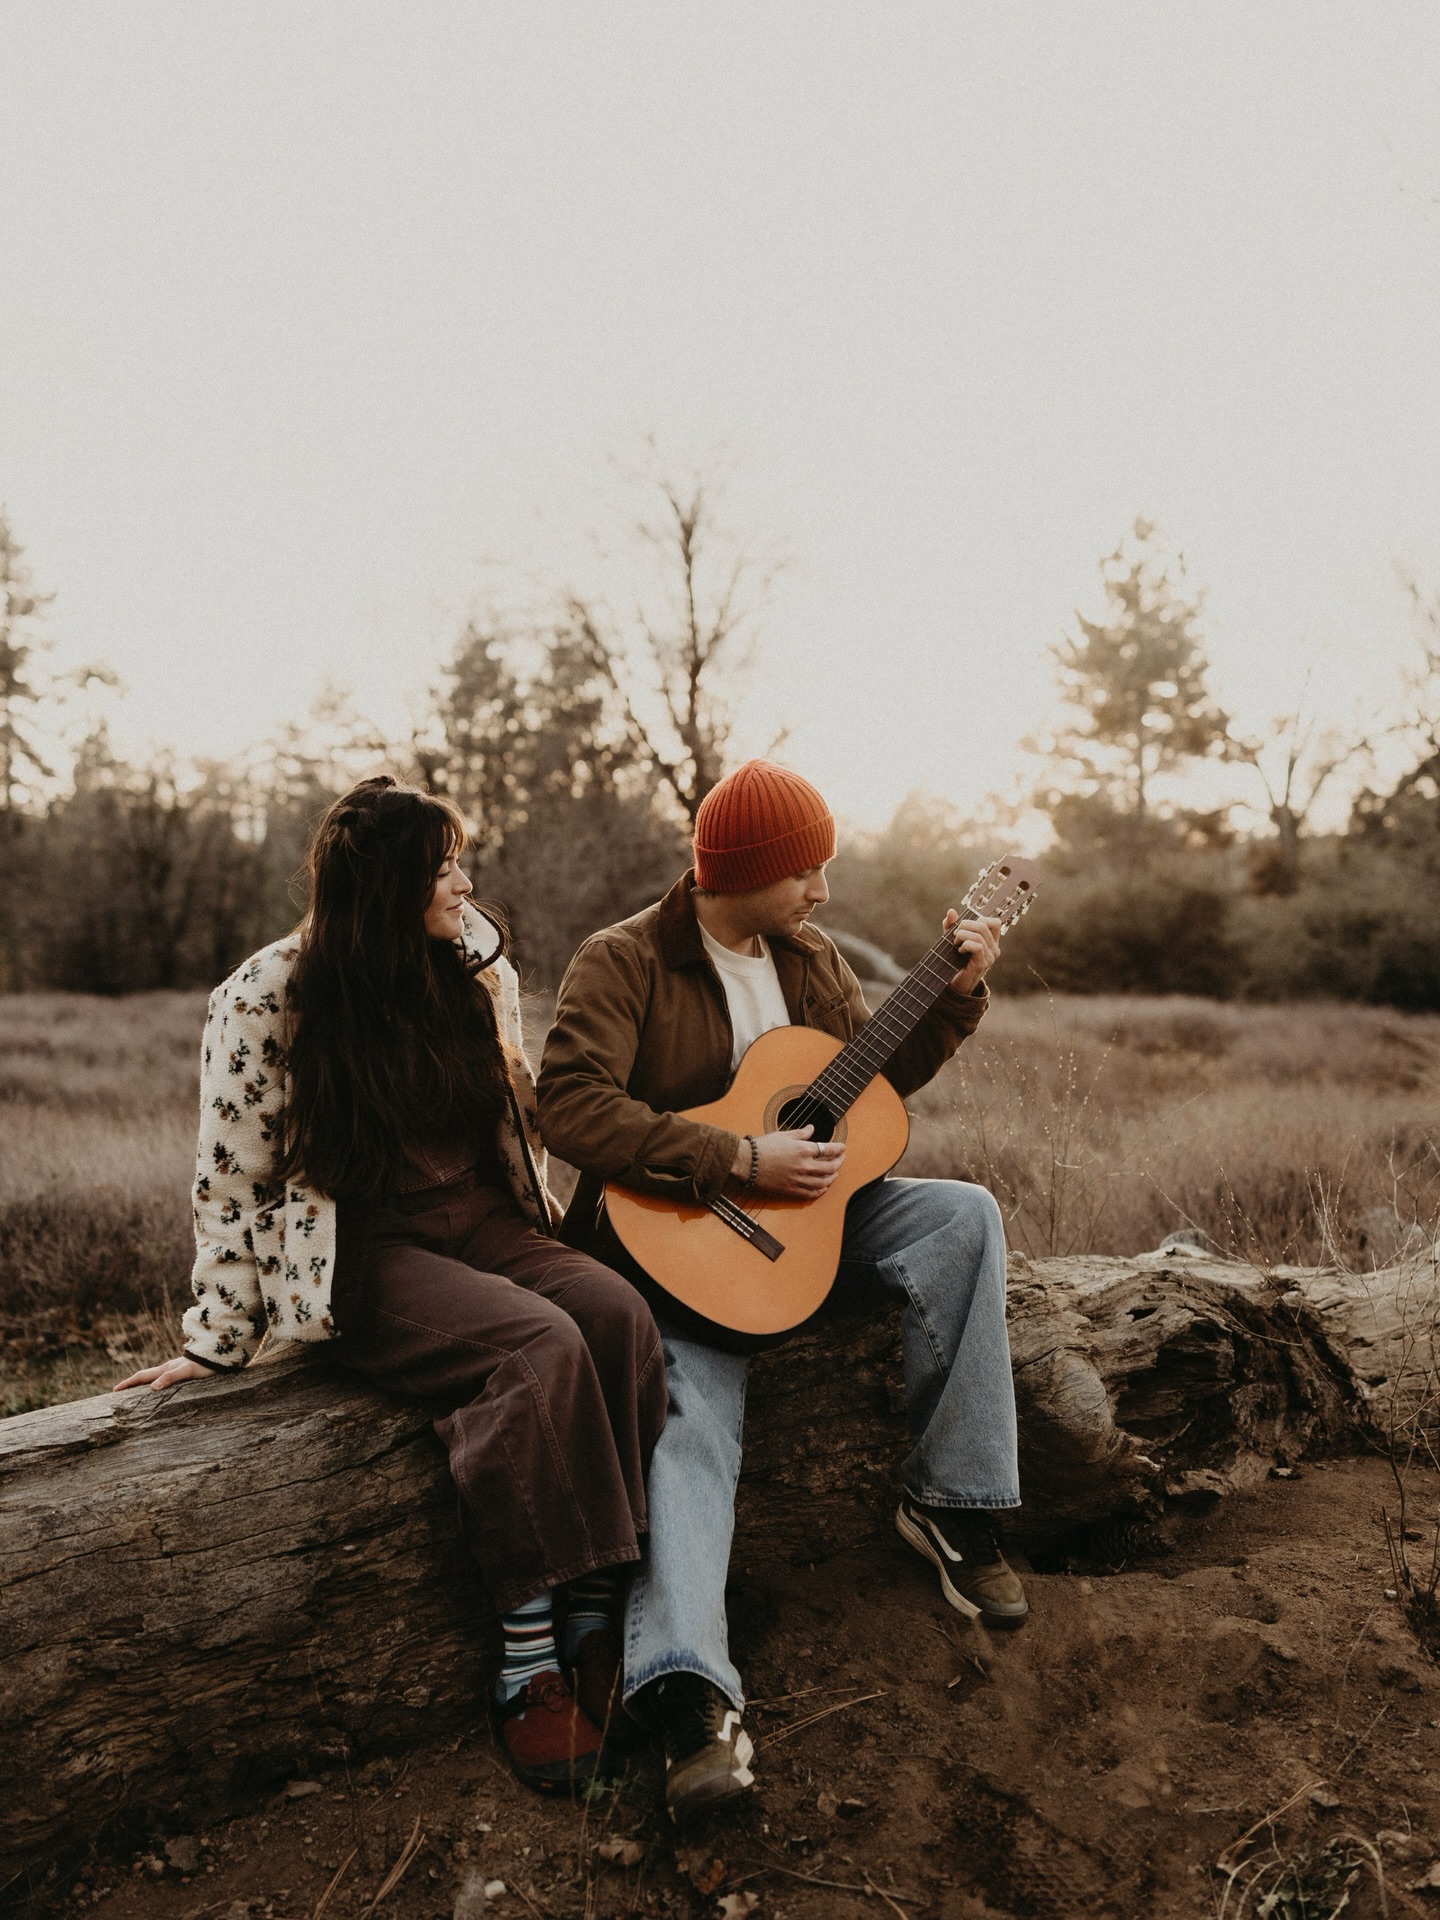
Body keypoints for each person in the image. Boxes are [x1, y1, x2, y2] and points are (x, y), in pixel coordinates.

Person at [117, 775, 666, 1796]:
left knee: (613, 1315)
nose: (463, 881)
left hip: (486, 1220)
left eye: (461, 861)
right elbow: (229, 1177)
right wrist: (214, 1339)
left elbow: (514, 1124)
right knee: (534, 1349)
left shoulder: (473, 972)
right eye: (445, 864)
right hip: (364, 1253)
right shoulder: (268, 992)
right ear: (387, 882)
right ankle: (527, 1656)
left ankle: (597, 1607)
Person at [536, 758, 1023, 1824]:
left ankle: (952, 1504)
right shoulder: (622, 961)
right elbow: (567, 1107)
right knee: (690, 1420)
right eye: (808, 870)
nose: (823, 893)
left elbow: (868, 1097)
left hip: (813, 1236)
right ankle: (689, 1693)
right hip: (677, 1254)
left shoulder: (809, 960)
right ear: (747, 868)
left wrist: (956, 996)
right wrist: (734, 1161)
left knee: (965, 1215)